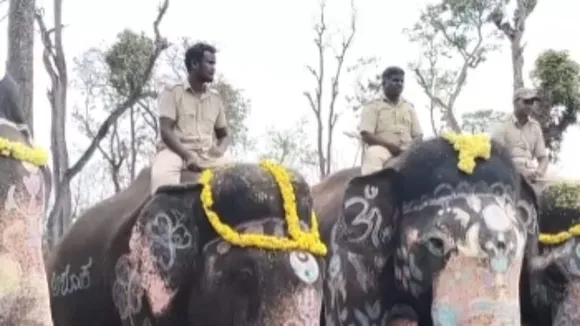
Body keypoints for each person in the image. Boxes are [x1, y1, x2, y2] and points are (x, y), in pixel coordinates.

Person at [150, 42, 230, 193]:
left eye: (214, 64)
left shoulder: (215, 98)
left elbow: (224, 135)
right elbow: (166, 131)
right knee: (162, 182)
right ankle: (160, 216)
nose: (213, 68)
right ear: (194, 64)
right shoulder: (172, 92)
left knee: (238, 179)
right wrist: (187, 155)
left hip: (207, 154)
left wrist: (220, 150)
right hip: (175, 153)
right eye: (209, 63)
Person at [358, 66, 423, 175]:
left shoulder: (409, 107)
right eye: (395, 80)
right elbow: (366, 134)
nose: (399, 83)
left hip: (409, 151)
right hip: (383, 150)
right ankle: (373, 189)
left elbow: (419, 135)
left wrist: (409, 148)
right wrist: (391, 147)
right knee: (372, 155)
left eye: (402, 81)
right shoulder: (373, 106)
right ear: (384, 83)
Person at [491, 87, 549, 182]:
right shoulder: (502, 124)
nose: (530, 106)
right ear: (515, 102)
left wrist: (539, 172)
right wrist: (520, 172)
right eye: (526, 101)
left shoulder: (535, 127)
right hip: (507, 176)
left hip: (531, 176)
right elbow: (495, 157)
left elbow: (543, 157)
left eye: (532, 102)